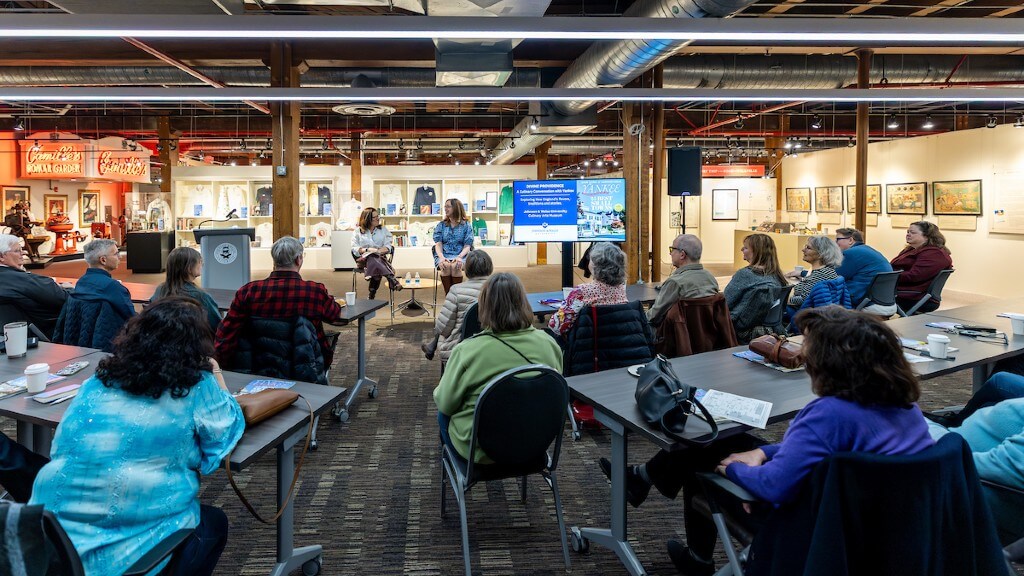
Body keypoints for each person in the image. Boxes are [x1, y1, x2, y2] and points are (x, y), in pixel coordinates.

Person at [599, 306, 933, 575]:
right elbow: (829, 451)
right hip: (881, 524)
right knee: (727, 441)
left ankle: (694, 552)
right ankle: (651, 490)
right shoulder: (906, 409)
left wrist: (735, 472)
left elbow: (775, 487)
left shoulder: (828, 414)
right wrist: (762, 450)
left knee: (703, 452)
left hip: (812, 525)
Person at [30, 297, 244, 576]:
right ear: (197, 345)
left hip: (48, 537)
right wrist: (215, 374)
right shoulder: (194, 384)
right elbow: (220, 440)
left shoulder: (98, 380)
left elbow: (60, 444)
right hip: (127, 546)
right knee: (214, 523)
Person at [433, 272, 563, 463]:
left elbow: (446, 404)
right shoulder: (549, 343)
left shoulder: (468, 350)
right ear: (524, 302)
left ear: (483, 306)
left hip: (481, 451)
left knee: (443, 414)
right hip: (535, 443)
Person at [926, 371, 1024, 542]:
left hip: (953, 467)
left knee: (884, 416)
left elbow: (1010, 468)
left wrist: (940, 454)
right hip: (956, 450)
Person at [215, 236, 343, 367]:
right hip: (305, 366)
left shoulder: (248, 291)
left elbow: (227, 332)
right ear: (298, 260)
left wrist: (223, 365)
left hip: (257, 364)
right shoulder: (315, 291)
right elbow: (334, 315)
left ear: (274, 261)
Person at [422, 250, 493, 362]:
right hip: (493, 345)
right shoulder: (501, 289)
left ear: (467, 268)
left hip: (461, 348)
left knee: (444, 328)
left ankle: (433, 349)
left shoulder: (456, 290)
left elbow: (443, 328)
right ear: (490, 266)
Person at [549, 242, 628, 336]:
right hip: (618, 343)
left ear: (596, 265)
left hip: (587, 345)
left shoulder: (581, 292)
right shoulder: (622, 290)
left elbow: (557, 327)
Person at [723, 233, 787, 343]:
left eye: (746, 247)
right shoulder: (778, 277)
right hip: (773, 330)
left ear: (756, 252)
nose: (741, 249)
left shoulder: (744, 275)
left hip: (742, 331)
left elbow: (725, 303)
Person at [0, 233, 68, 335]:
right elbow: (61, 298)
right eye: (17, 251)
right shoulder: (20, 280)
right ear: (1, 256)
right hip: (44, 334)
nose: (22, 254)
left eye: (21, 250)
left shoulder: (11, 277)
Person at [646, 234, 719, 327]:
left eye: (672, 249)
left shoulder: (675, 283)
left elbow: (654, 316)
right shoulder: (711, 278)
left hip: (676, 337)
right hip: (706, 335)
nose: (670, 253)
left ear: (682, 254)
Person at [152, 246, 222, 332]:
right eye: (200, 262)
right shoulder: (201, 296)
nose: (202, 265)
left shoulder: (160, 289)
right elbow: (217, 325)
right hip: (194, 341)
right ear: (189, 268)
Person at [890, 221, 953, 314]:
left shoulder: (934, 254)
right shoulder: (912, 249)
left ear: (927, 236)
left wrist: (888, 276)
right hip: (903, 291)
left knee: (864, 293)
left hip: (912, 296)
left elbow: (914, 276)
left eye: (913, 232)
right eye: (908, 232)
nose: (908, 235)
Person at [834, 227, 896, 315]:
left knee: (821, 291)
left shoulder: (851, 253)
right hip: (884, 301)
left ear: (850, 240)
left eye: (838, 239)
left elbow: (834, 276)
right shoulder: (867, 249)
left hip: (865, 301)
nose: (835, 243)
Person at [73, 239, 135, 320]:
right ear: (103, 260)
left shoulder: (81, 282)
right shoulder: (112, 287)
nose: (120, 257)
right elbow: (132, 316)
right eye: (116, 254)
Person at [351, 207, 402, 299]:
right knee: (373, 257)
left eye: (378, 216)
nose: (378, 218)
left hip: (379, 258)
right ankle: (391, 278)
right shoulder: (357, 232)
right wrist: (368, 250)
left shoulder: (383, 230)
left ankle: (371, 295)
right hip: (363, 259)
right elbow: (354, 248)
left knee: (375, 260)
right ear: (367, 219)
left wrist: (378, 251)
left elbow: (388, 246)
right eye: (375, 217)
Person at [785, 235, 843, 309]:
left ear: (821, 254)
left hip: (804, 315)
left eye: (808, 248)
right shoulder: (826, 271)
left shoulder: (820, 275)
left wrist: (782, 299)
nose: (803, 250)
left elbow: (803, 300)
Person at [432, 198, 475, 294]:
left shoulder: (466, 225)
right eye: (445, 206)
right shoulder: (441, 225)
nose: (445, 209)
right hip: (444, 254)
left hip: (461, 254)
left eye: (448, 206)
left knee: (456, 266)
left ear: (455, 208)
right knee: (446, 266)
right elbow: (438, 244)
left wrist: (459, 257)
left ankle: (456, 296)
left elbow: (467, 245)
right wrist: (441, 257)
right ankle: (449, 296)